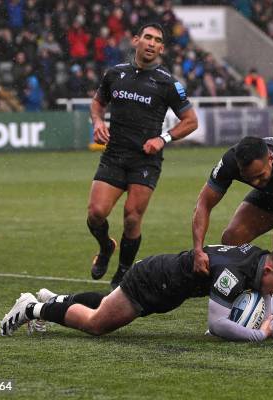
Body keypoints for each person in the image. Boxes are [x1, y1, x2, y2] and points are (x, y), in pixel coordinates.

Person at [87, 22, 198, 288]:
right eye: (147, 37)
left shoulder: (167, 82)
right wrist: (98, 122)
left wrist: (163, 138)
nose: (151, 43)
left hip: (145, 160)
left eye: (157, 40)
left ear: (161, 48)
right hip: (114, 154)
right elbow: (97, 102)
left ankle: (123, 272)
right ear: (136, 40)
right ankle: (105, 247)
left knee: (132, 216)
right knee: (95, 213)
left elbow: (191, 121)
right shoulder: (115, 74)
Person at [0, 245, 273, 342]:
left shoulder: (259, 260)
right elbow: (217, 325)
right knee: (97, 324)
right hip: (153, 282)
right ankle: (32, 308)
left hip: (163, 281)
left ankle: (56, 301)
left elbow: (263, 299)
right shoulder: (233, 274)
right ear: (270, 271)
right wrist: (259, 335)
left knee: (107, 306)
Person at [192, 136, 273, 322]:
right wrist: (198, 249)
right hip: (272, 194)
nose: (255, 183)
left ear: (270, 158)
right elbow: (203, 204)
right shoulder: (230, 161)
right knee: (232, 238)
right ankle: (240, 310)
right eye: (249, 178)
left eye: (260, 175)